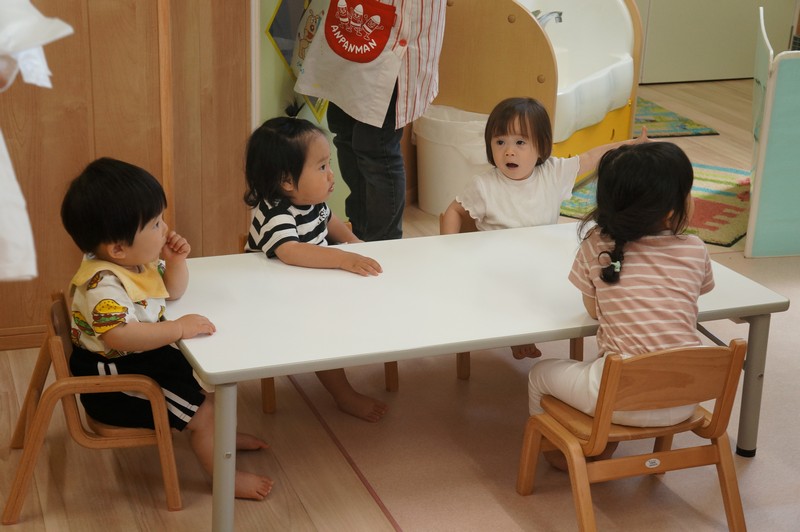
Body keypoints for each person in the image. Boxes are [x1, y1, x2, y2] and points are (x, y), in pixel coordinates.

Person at [61, 158, 273, 500]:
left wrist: (176, 263)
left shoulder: (132, 262)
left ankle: (220, 440)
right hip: (116, 382)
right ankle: (224, 479)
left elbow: (172, 292)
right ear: (118, 248)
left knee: (209, 383)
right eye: (156, 223)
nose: (166, 228)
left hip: (139, 359)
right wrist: (177, 328)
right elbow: (119, 335)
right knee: (203, 412)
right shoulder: (104, 283)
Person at [528, 142, 714, 466]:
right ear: (671, 211)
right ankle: (605, 438)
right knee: (607, 368)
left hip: (618, 398)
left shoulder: (596, 245)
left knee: (539, 374)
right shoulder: (696, 248)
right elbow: (694, 294)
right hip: (685, 398)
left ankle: (559, 452)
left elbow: (593, 311)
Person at [441, 96, 649, 359]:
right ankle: (518, 335)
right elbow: (454, 211)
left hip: (540, 261)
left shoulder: (553, 173)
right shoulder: (483, 185)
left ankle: (534, 328)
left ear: (541, 147)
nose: (509, 151)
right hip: (497, 268)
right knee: (511, 291)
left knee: (571, 281)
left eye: (520, 142)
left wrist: (630, 146)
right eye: (500, 142)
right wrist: (448, 249)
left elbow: (593, 157)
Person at [243, 116, 388, 422]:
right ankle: (343, 395)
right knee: (324, 332)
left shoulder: (312, 201)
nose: (331, 174)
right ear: (287, 181)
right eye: (322, 167)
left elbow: (331, 223)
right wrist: (342, 259)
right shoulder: (275, 211)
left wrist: (356, 245)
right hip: (274, 303)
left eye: (328, 164)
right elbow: (291, 251)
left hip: (309, 288)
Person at [294, 0, 447, 242]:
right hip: (352, 23)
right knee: (344, 132)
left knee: (376, 146)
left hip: (397, 33)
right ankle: (358, 234)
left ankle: (383, 244)